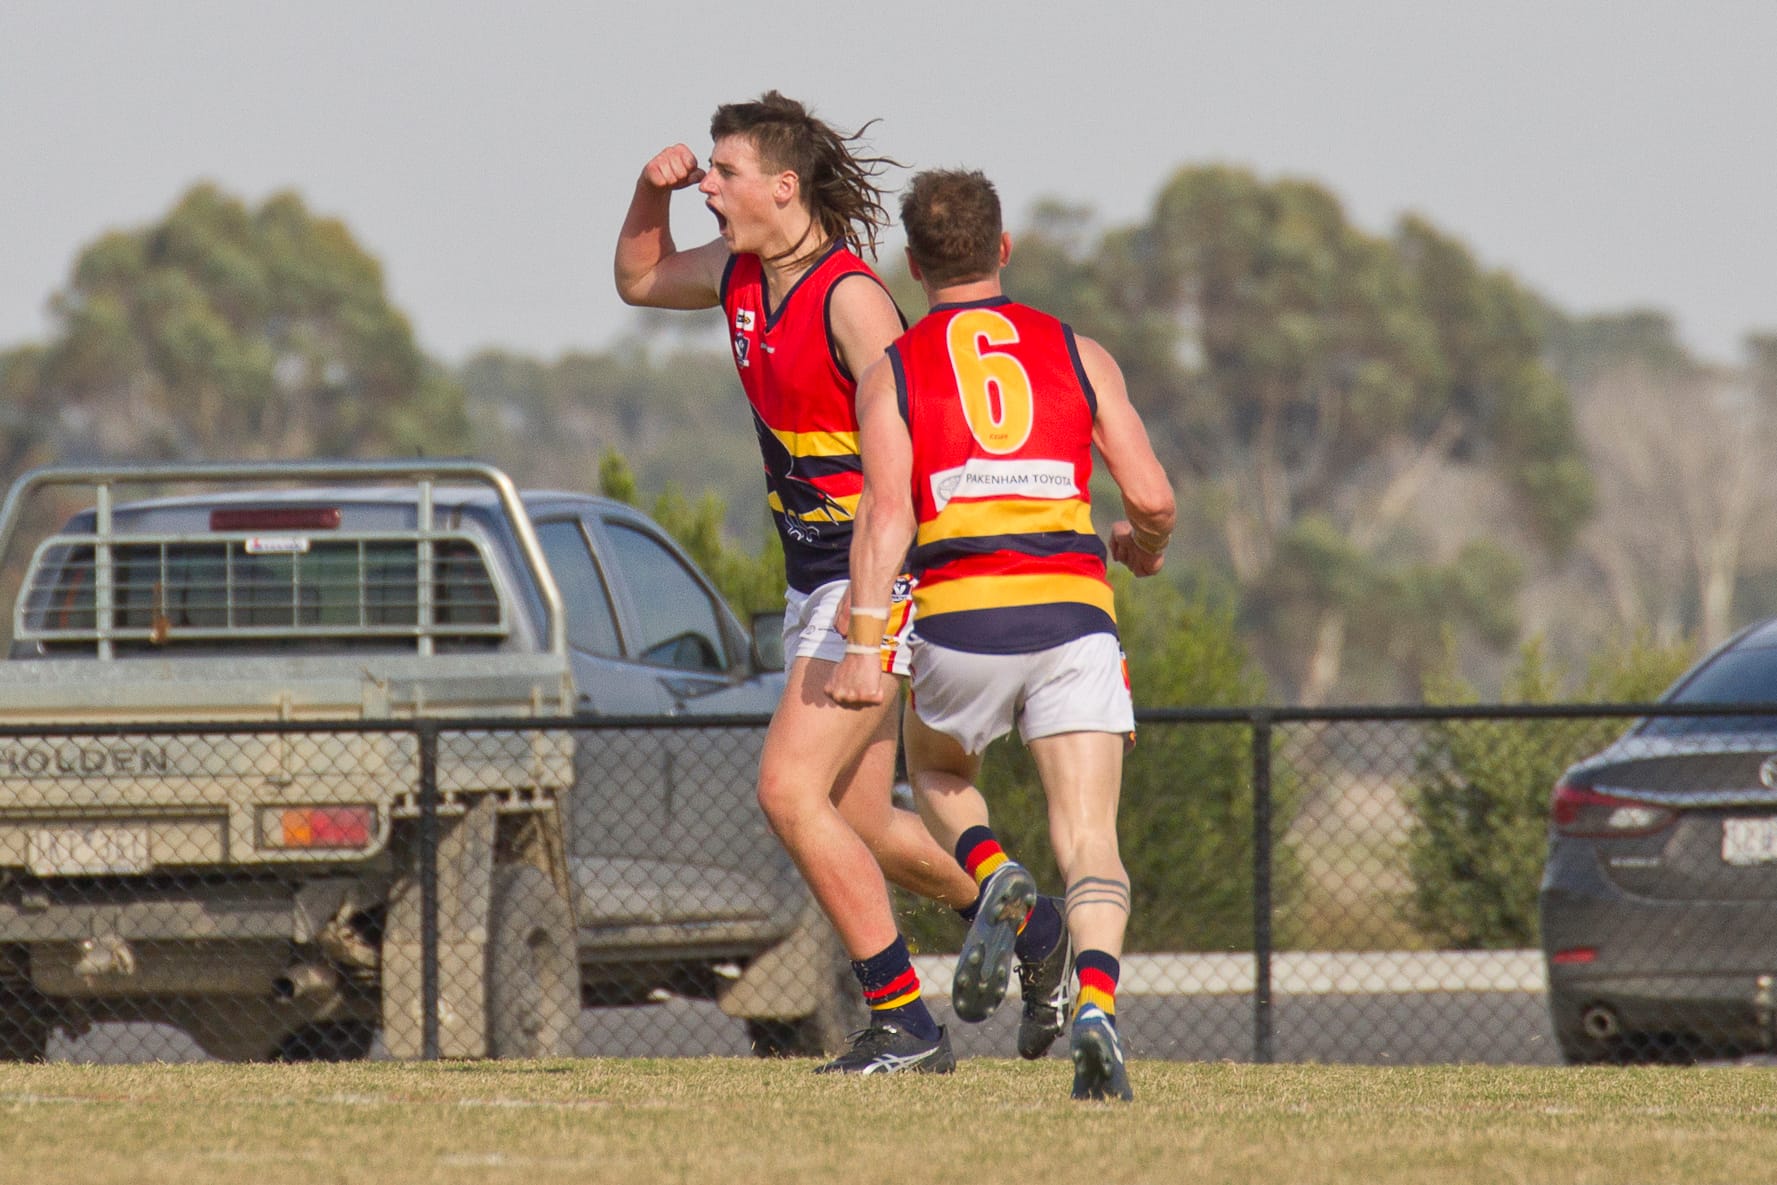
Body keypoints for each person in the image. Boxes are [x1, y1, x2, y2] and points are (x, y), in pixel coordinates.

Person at [614, 94, 1069, 1073]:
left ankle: (904, 1024)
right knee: (859, 814)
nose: (709, 186)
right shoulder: (741, 274)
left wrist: (872, 626)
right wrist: (644, 196)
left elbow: (906, 460)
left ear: (783, 186)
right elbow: (640, 279)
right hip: (815, 575)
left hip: (874, 576)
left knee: (785, 790)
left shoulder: (850, 296)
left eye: (723, 174)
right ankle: (1028, 926)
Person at [827, 168, 1176, 1101]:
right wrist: (1136, 547)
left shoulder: (893, 367)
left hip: (961, 614)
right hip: (1072, 612)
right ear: (1003, 249)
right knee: (1093, 839)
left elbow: (886, 515)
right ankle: (1095, 1005)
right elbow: (1150, 497)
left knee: (938, 770)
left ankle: (995, 874)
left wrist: (865, 645)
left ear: (912, 265)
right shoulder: (1076, 350)